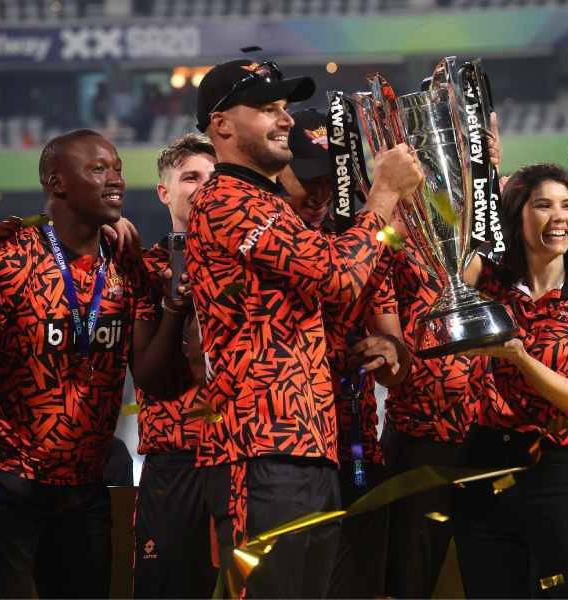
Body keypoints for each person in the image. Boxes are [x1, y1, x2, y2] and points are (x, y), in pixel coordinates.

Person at [187, 58, 422, 598]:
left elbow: (315, 313)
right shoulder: (226, 200)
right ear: (221, 125)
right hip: (259, 450)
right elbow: (339, 277)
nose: (285, 118)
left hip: (310, 446)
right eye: (266, 108)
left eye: (284, 107)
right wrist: (382, 197)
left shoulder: (272, 206)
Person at [0, 129, 155, 598]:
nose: (116, 179)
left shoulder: (126, 267)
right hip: (10, 488)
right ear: (56, 182)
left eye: (118, 167)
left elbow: (150, 374)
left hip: (88, 490)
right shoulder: (8, 259)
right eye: (99, 168)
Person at [453, 163, 568, 597]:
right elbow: (444, 278)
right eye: (543, 205)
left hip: (557, 471)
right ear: (517, 216)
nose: (559, 217)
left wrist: (518, 357)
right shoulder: (486, 281)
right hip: (483, 466)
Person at [285, 108, 407, 599]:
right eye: (307, 179)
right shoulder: (263, 239)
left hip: (354, 445)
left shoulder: (363, 242)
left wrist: (391, 353)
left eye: (330, 179)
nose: (319, 195)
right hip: (285, 455)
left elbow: (398, 360)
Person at [130, 133, 218, 599]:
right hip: (175, 462)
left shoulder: (248, 264)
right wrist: (173, 307)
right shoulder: (145, 271)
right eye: (191, 177)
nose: (204, 186)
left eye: (213, 177)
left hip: (240, 457)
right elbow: (151, 378)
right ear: (164, 192)